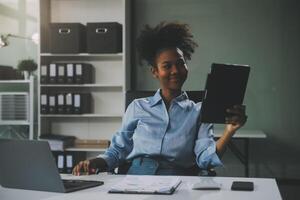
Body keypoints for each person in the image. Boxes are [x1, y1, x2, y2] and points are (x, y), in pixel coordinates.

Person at [73, 22, 247, 176]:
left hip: (178, 182)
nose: (175, 71)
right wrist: (94, 162)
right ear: (155, 71)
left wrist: (229, 131)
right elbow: (118, 151)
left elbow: (205, 159)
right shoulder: (137, 107)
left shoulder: (199, 111)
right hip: (136, 179)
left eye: (180, 64)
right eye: (167, 66)